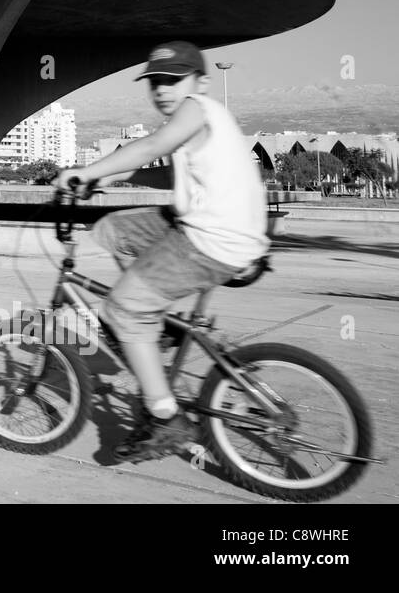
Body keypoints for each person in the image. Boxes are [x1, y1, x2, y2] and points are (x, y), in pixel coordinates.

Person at [53, 41, 270, 462]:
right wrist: (106, 180)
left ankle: (165, 417)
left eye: (174, 79)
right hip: (203, 224)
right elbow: (166, 166)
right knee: (112, 229)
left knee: (120, 309)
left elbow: (154, 146)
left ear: (200, 83)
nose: (163, 90)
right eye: (155, 81)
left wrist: (85, 171)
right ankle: (159, 323)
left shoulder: (197, 107)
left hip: (214, 239)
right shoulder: (203, 124)